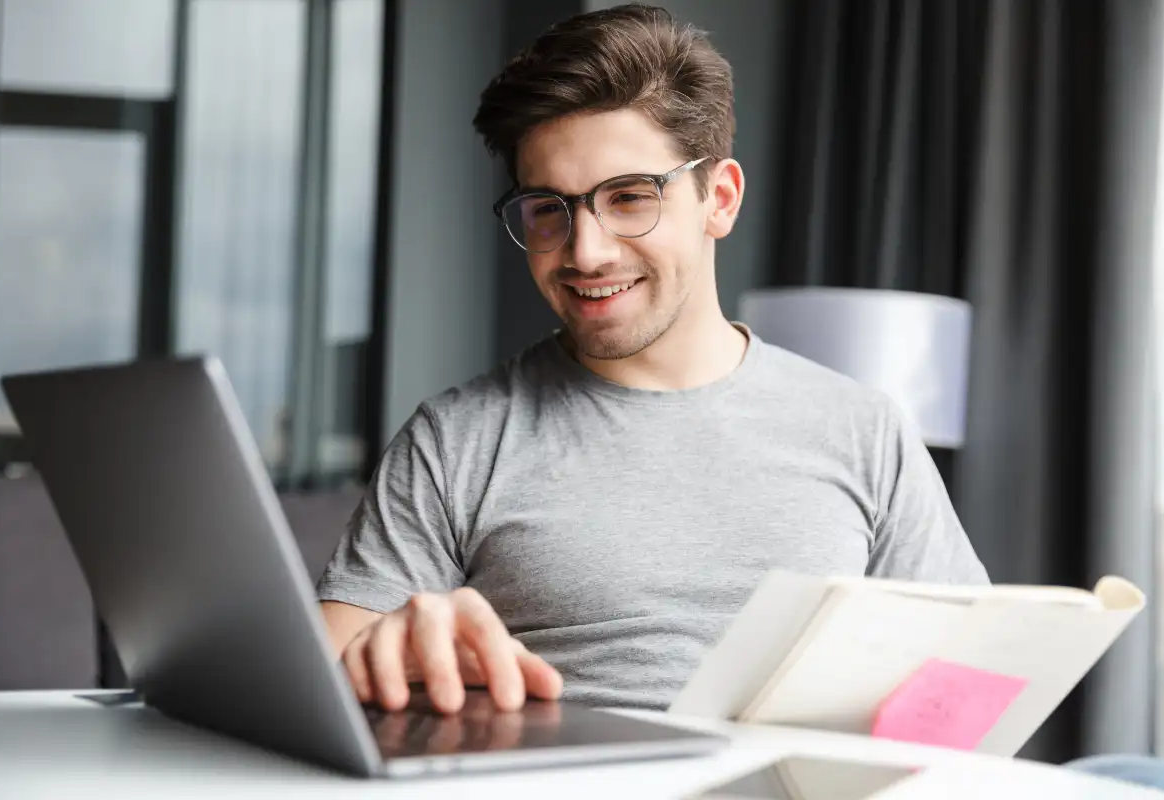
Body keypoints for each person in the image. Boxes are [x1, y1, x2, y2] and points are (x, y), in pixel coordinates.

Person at [317, 2, 989, 716]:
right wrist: (388, 652)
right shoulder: (457, 439)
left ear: (720, 199)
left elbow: (974, 689)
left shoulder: (866, 432)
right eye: (550, 208)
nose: (586, 252)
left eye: (630, 198)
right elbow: (316, 682)